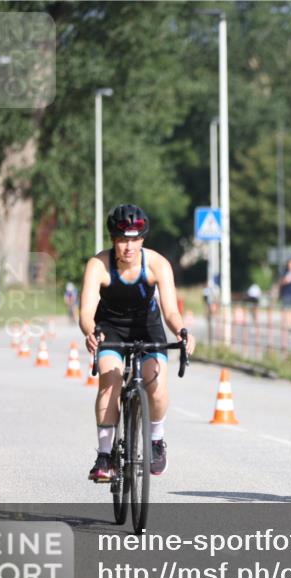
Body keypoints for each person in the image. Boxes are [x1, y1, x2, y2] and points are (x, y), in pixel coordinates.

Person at [79, 204, 196, 481]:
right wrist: (90, 332)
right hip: (110, 328)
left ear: (142, 239)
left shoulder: (157, 264)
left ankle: (156, 439)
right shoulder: (99, 265)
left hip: (148, 326)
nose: (128, 247)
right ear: (113, 241)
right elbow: (85, 311)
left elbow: (170, 311)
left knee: (154, 382)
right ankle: (105, 455)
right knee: (110, 381)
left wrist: (182, 331)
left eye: (134, 239)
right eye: (122, 240)